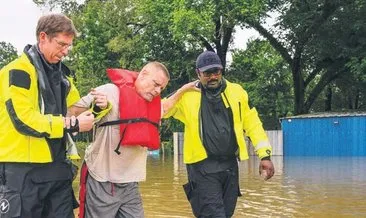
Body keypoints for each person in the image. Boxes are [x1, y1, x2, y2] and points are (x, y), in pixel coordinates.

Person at [0, 14, 99, 218]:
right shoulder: (18, 72)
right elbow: (24, 119)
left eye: (69, 46)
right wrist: (72, 125)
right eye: (61, 44)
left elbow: (75, 109)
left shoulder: (63, 76)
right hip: (22, 169)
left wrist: (98, 106)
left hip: (57, 167)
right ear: (43, 37)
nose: (65, 52)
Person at [162, 51, 275, 217]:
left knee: (225, 214)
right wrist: (181, 91)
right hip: (202, 168)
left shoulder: (237, 92)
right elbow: (160, 111)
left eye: (217, 72)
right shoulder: (186, 96)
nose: (213, 77)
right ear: (198, 73)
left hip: (230, 166)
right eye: (207, 73)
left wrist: (265, 156)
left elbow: (253, 124)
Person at [69, 62, 170, 218]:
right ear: (143, 74)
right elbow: (72, 112)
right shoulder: (108, 92)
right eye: (156, 84)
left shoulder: (155, 106)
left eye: (161, 88)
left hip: (130, 183)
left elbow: (170, 104)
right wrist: (96, 109)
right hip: (101, 179)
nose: (157, 91)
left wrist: (186, 88)